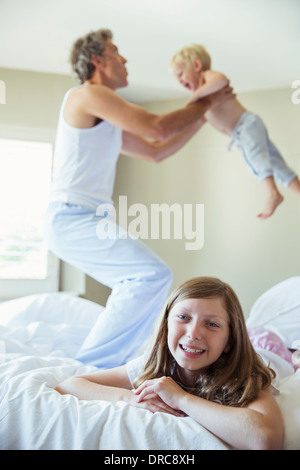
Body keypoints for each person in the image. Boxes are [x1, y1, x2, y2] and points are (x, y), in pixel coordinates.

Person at [45, 30, 233, 369]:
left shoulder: (103, 114)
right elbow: (158, 127)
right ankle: (91, 367)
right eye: (117, 52)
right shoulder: (86, 95)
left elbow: (156, 151)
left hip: (85, 217)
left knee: (151, 277)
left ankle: (117, 359)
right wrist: (207, 101)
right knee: (149, 276)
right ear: (98, 61)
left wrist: (204, 114)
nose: (125, 59)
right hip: (71, 216)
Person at [55, 276, 288, 450]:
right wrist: (130, 399)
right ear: (166, 324)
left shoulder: (246, 372)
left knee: (283, 347)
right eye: (183, 317)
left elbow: (265, 439)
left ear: (230, 341)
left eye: (212, 324)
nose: (193, 333)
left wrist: (181, 398)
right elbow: (71, 384)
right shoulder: (156, 365)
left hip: (272, 350)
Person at [170, 44, 300, 220]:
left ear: (197, 66)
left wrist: (193, 97)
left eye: (180, 74)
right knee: (275, 165)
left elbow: (222, 79)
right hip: (244, 130)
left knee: (256, 158)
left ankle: (272, 193)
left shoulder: (206, 78)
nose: (179, 80)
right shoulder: (203, 97)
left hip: (244, 126)